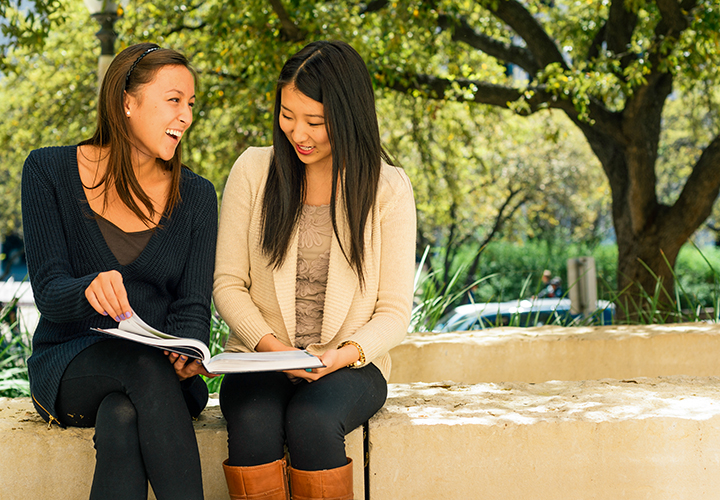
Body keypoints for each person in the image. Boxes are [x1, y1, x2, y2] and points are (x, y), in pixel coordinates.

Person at [214, 40, 416, 500]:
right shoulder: (252, 170)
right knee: (252, 420)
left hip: (349, 363)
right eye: (287, 116)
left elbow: (393, 312)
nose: (298, 133)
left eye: (315, 121)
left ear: (347, 117)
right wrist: (272, 349)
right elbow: (228, 283)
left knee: (313, 420)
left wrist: (338, 355)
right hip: (258, 356)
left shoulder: (389, 188)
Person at [21, 42, 217, 499]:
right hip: (71, 362)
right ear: (127, 102)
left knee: (122, 417)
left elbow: (191, 308)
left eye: (191, 104)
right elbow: (49, 292)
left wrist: (188, 353)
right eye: (174, 100)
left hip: (163, 377)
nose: (186, 116)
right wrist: (89, 286)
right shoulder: (47, 171)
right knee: (141, 370)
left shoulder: (197, 196)